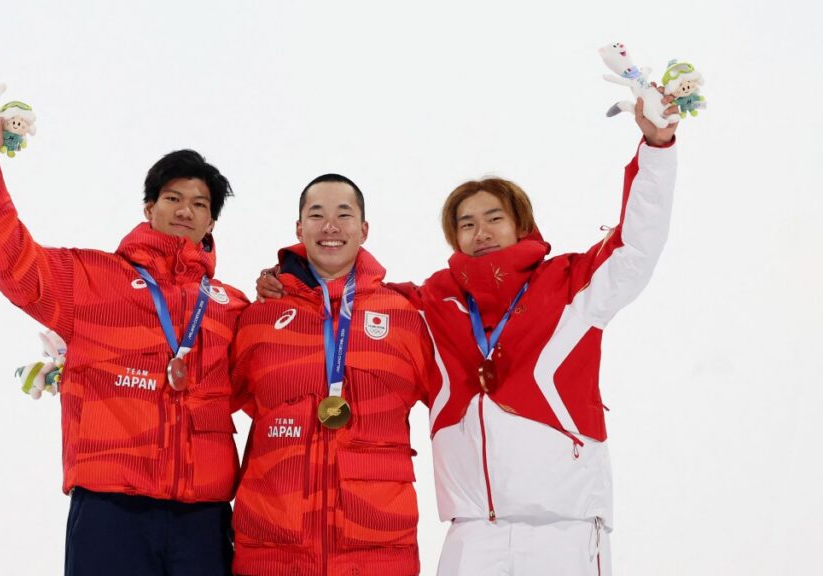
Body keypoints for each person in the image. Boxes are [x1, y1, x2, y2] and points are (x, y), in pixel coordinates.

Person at [258, 95, 680, 575]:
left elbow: (637, 245)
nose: (481, 232)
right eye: (466, 223)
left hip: (565, 525)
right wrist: (289, 281)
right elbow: (353, 297)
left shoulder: (571, 285)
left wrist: (657, 147)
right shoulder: (433, 301)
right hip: (472, 530)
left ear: (520, 224)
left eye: (494, 218)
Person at [0, 98, 248, 576]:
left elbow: (278, 374)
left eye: (200, 204)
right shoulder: (92, 279)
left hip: (203, 517)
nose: (185, 211)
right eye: (173, 198)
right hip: (111, 511)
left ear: (212, 221)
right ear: (149, 207)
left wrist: (290, 283)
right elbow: (13, 260)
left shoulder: (230, 307)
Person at [230, 174, 439, 575]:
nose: (330, 226)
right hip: (272, 553)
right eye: (317, 215)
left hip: (378, 554)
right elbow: (210, 397)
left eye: (344, 215)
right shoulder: (259, 318)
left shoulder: (403, 318)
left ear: (363, 229)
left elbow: (453, 406)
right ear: (299, 228)